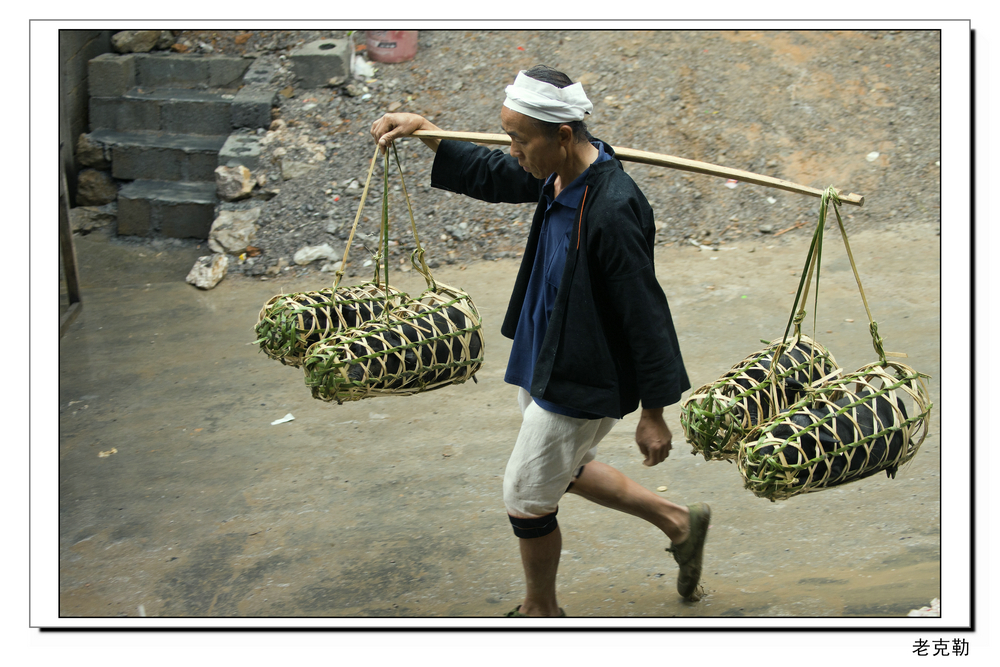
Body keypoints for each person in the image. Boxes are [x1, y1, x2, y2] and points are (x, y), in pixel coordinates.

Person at [370, 65, 710, 617]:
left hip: (582, 370)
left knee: (526, 498)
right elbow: (492, 172)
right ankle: (678, 521)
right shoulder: (554, 170)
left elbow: (644, 314)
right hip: (543, 351)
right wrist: (426, 128)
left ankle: (540, 613)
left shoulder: (612, 209)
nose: (511, 151)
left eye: (518, 140)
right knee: (564, 467)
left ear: (564, 136)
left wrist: (654, 412)